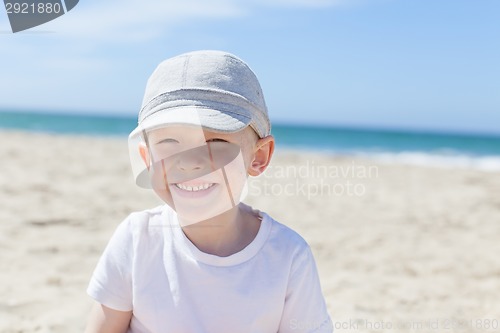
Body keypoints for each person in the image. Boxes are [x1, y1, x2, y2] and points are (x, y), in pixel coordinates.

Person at [84, 50, 333, 333]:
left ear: (258, 156)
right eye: (169, 142)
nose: (190, 163)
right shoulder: (137, 239)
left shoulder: (288, 256)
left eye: (215, 141)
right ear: (148, 159)